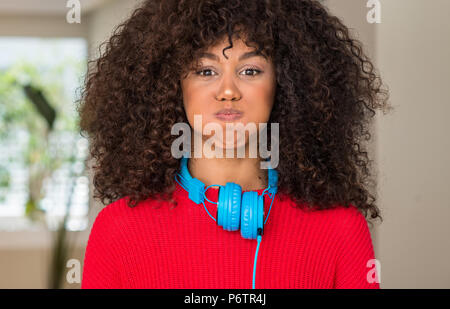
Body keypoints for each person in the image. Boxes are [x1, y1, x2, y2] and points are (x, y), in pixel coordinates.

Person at [78, 0, 390, 289]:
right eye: (206, 71)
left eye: (250, 70)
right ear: (171, 86)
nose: (228, 91)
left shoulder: (341, 229)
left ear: (286, 84)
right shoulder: (118, 230)